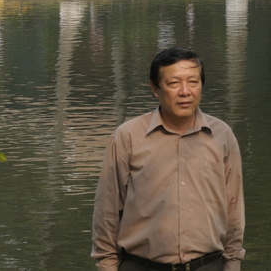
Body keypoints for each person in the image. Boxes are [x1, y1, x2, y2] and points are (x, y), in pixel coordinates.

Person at [92, 47, 245, 271]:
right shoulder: (128, 137)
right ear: (155, 88)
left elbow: (234, 209)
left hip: (208, 264)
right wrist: (107, 266)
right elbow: (107, 211)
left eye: (193, 82)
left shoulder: (222, 136)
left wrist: (232, 264)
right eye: (174, 83)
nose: (185, 91)